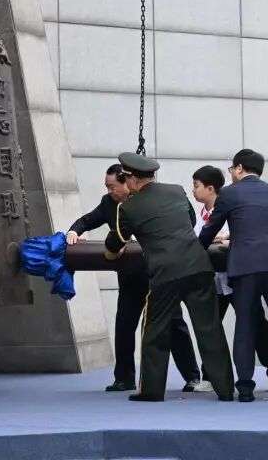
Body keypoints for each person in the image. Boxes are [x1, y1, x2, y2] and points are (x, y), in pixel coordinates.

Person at [103, 152, 235, 402]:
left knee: (154, 331)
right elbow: (190, 220)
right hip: (199, 266)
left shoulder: (128, 207)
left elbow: (114, 244)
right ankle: (226, 389)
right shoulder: (176, 191)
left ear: (133, 179)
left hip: (165, 274)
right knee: (210, 329)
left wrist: (111, 255)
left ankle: (151, 391)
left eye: (126, 178)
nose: (125, 183)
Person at [67, 164, 203, 392]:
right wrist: (74, 231)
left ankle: (192, 376)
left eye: (112, 186)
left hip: (157, 275)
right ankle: (124, 378)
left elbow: (187, 221)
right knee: (124, 326)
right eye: (107, 187)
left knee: (174, 325)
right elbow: (89, 220)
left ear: (127, 182)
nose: (109, 191)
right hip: (130, 277)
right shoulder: (109, 203)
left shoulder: (147, 200)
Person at [199, 149, 268, 403]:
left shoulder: (229, 194)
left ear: (239, 168)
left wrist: (198, 248)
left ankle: (246, 388)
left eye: (232, 169)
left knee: (245, 326)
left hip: (245, 267)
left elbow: (210, 229)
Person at [192, 165, 268, 393]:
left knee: (256, 322)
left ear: (211, 188)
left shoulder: (230, 203)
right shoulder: (200, 214)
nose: (193, 190)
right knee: (211, 327)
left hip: (236, 274)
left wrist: (225, 239)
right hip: (212, 277)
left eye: (196, 186)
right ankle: (209, 375)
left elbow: (239, 234)